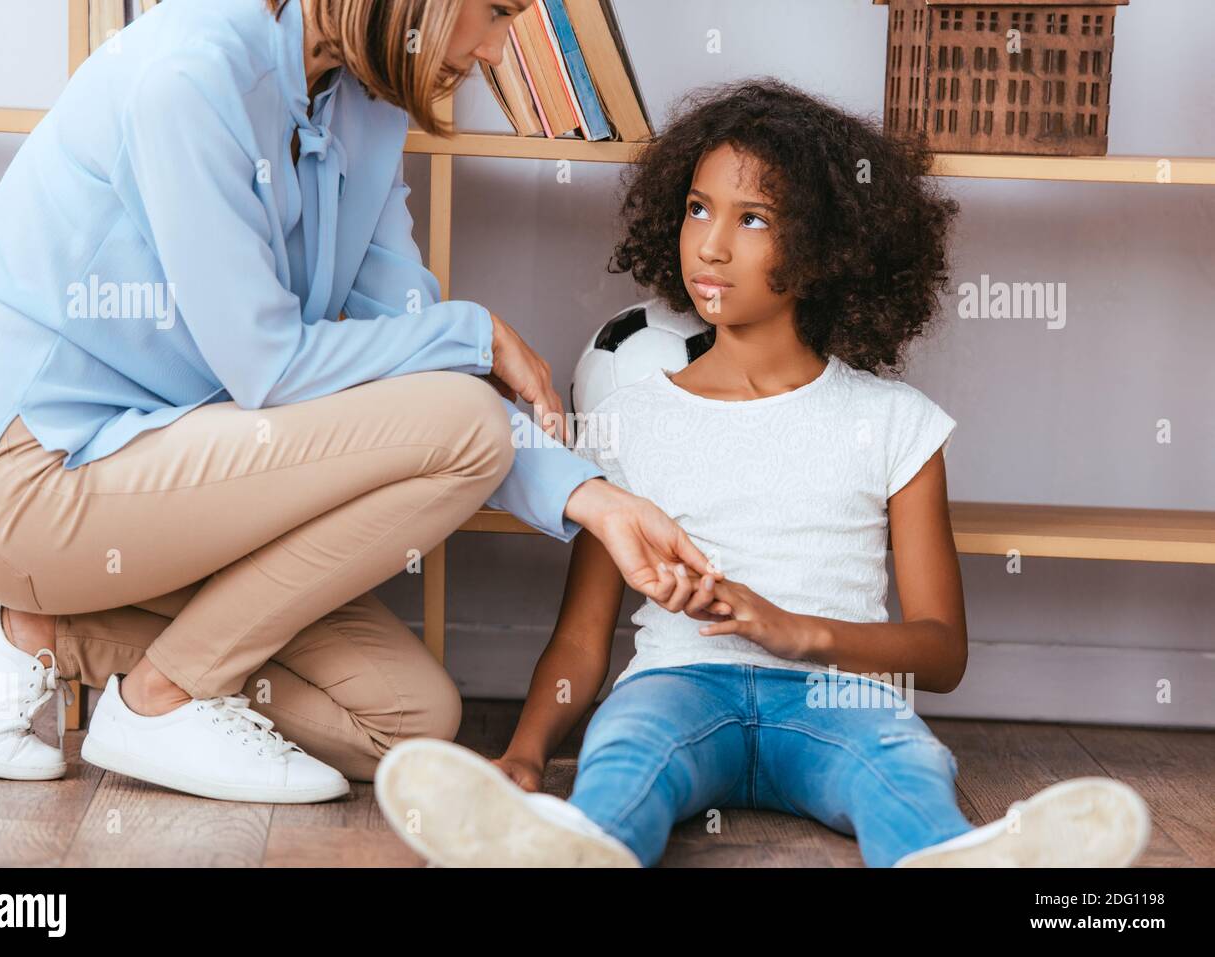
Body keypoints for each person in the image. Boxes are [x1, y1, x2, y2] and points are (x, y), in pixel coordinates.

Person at [0, 0, 719, 803]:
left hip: (165, 481)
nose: (496, 52)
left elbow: (405, 345)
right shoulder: (190, 73)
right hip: (24, 478)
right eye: (496, 11)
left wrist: (594, 498)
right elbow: (269, 365)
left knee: (409, 719)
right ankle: (156, 700)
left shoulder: (362, 103)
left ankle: (35, 631)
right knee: (468, 425)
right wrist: (475, 332)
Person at [372, 78, 1152, 867]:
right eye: (698, 208)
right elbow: (582, 638)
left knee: (907, 766)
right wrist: (527, 757)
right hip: (676, 685)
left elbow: (943, 651)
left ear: (821, 250)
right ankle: (575, 848)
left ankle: (948, 857)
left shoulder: (897, 422)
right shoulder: (629, 420)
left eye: (753, 219)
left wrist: (797, 630)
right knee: (626, 751)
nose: (711, 245)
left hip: (839, 700)